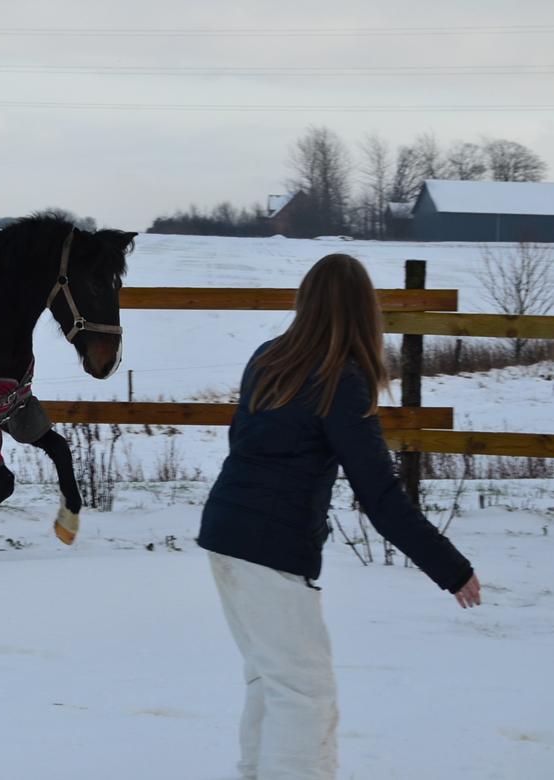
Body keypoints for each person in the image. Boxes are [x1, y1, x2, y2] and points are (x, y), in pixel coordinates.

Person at [197, 253, 481, 780]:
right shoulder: (340, 383)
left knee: (271, 679)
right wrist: (452, 568)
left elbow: (243, 443)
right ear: (361, 314)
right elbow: (380, 497)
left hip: (225, 535)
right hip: (267, 550)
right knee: (304, 692)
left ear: (307, 303)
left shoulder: (268, 357)